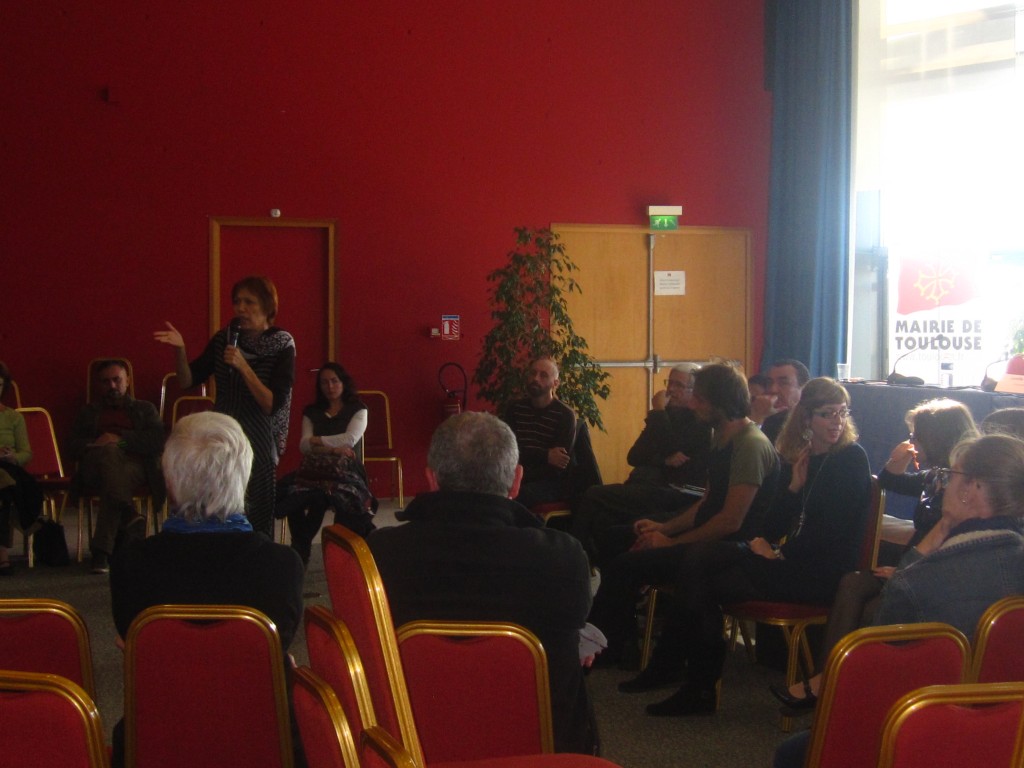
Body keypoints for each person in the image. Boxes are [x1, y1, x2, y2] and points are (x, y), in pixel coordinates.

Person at [773, 433, 1024, 768]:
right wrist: (945, 526)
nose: (944, 485)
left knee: (792, 753)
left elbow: (878, 674)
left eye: (950, 476)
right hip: (1009, 739)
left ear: (972, 488)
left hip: (925, 733)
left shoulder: (921, 582)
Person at [625, 378, 870, 717]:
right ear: (806, 418)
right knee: (699, 563)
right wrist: (793, 489)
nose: (837, 422)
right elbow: (773, 526)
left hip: (822, 572)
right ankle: (690, 681)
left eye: (842, 413)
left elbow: (833, 533)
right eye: (827, 414)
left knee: (700, 574)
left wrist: (780, 552)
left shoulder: (851, 458)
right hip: (789, 561)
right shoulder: (802, 458)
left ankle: (687, 679)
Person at [367, 411, 596, 754]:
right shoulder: (563, 557)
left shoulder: (378, 555)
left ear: (431, 479)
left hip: (410, 744)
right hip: (539, 748)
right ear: (516, 482)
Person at [109, 411, 305, 768]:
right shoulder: (283, 566)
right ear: (244, 477)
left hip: (158, 740)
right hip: (261, 740)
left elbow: (133, 646)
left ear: (169, 481)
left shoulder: (130, 563)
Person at [771, 397, 978, 709]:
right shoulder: (935, 476)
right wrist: (900, 457)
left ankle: (839, 690)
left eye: (916, 437)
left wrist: (905, 572)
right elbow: (889, 479)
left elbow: (957, 546)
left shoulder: (965, 487)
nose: (912, 442)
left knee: (872, 610)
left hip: (931, 572)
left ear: (935, 439)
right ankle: (826, 679)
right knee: (852, 583)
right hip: (910, 564)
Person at [586, 363, 780, 666]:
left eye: (699, 398)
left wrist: (671, 542)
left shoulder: (750, 445)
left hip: (729, 550)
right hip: (710, 537)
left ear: (719, 402)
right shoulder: (722, 437)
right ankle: (616, 642)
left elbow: (731, 521)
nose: (692, 404)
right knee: (616, 536)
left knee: (626, 564)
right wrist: (663, 527)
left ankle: (613, 649)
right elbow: (706, 504)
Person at [155, 275, 296, 536]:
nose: (240, 308)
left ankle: (257, 554)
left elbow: (271, 405)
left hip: (258, 434)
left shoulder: (281, 344)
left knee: (256, 510)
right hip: (222, 433)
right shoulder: (225, 339)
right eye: (237, 302)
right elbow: (187, 380)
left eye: (249, 302)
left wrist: (243, 366)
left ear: (267, 306)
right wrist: (180, 350)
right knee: (217, 505)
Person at [570, 364, 711, 563]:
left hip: (671, 493)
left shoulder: (700, 423)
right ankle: (597, 567)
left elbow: (672, 446)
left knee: (594, 494)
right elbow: (634, 456)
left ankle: (572, 559)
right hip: (644, 486)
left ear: (694, 392)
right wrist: (663, 460)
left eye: (679, 385)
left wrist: (658, 411)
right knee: (603, 520)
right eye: (670, 383)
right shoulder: (664, 416)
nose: (671, 389)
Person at [68, 359, 165, 574]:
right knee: (110, 456)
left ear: (127, 381)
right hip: (94, 467)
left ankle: (102, 552)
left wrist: (120, 440)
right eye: (106, 382)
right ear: (98, 385)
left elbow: (157, 440)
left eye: (116, 380)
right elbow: (72, 446)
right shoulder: (89, 412)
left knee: (114, 484)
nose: (112, 386)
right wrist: (97, 444)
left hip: (135, 467)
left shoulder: (144, 409)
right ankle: (127, 513)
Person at [275, 362, 376, 565]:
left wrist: (317, 441)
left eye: (334, 381)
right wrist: (332, 449)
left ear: (343, 383)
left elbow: (349, 440)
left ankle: (305, 546)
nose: (330, 386)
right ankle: (301, 545)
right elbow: (304, 445)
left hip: (346, 470)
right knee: (292, 493)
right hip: (315, 469)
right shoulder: (312, 411)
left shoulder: (358, 409)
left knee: (328, 496)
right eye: (324, 382)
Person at [502, 357, 578, 509]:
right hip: (516, 475)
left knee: (518, 496)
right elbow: (508, 452)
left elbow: (558, 466)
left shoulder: (565, 415)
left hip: (550, 483)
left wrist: (525, 460)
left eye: (543, 375)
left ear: (555, 383)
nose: (535, 379)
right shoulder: (514, 409)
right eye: (533, 373)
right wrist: (546, 455)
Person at [0, 362, 43, 573]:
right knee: (4, 486)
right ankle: (2, 554)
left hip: (8, 467)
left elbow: (26, 453)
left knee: (4, 484)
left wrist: (12, 456)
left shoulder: (13, 417)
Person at [752, 359, 810, 444]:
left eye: (783, 383)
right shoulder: (765, 417)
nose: (773, 389)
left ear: (803, 388)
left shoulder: (812, 422)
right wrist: (758, 418)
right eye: (769, 383)